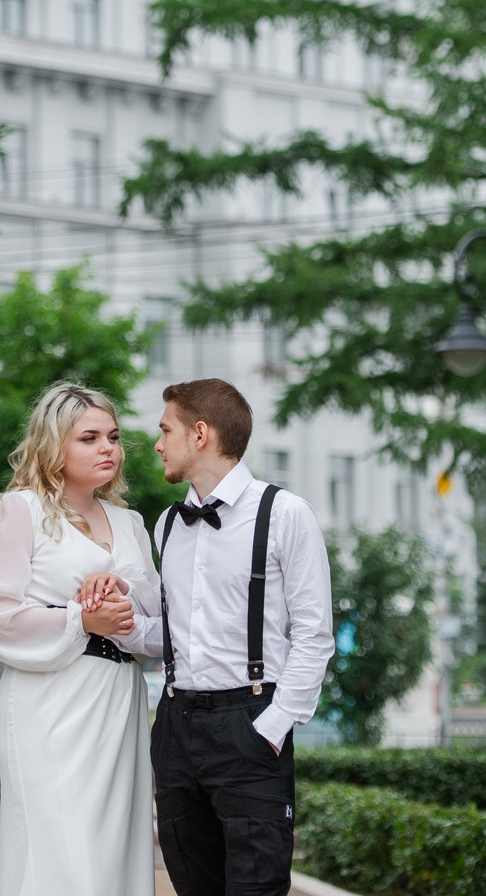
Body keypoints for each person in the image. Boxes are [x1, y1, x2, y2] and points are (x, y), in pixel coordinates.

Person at [125, 378, 333, 896]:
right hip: (176, 726)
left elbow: (314, 634)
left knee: (255, 887)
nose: (157, 444)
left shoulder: (285, 514)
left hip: (251, 723)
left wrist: (275, 725)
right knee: (193, 884)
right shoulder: (167, 524)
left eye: (165, 429)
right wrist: (121, 624)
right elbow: (171, 634)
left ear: (200, 434)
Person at [0, 382, 159, 896]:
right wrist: (80, 620)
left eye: (113, 437)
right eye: (89, 438)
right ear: (54, 444)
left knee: (115, 851)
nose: (108, 450)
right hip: (49, 701)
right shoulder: (20, 510)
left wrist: (121, 597)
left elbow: (160, 625)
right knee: (60, 853)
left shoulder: (131, 522)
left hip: (119, 699)